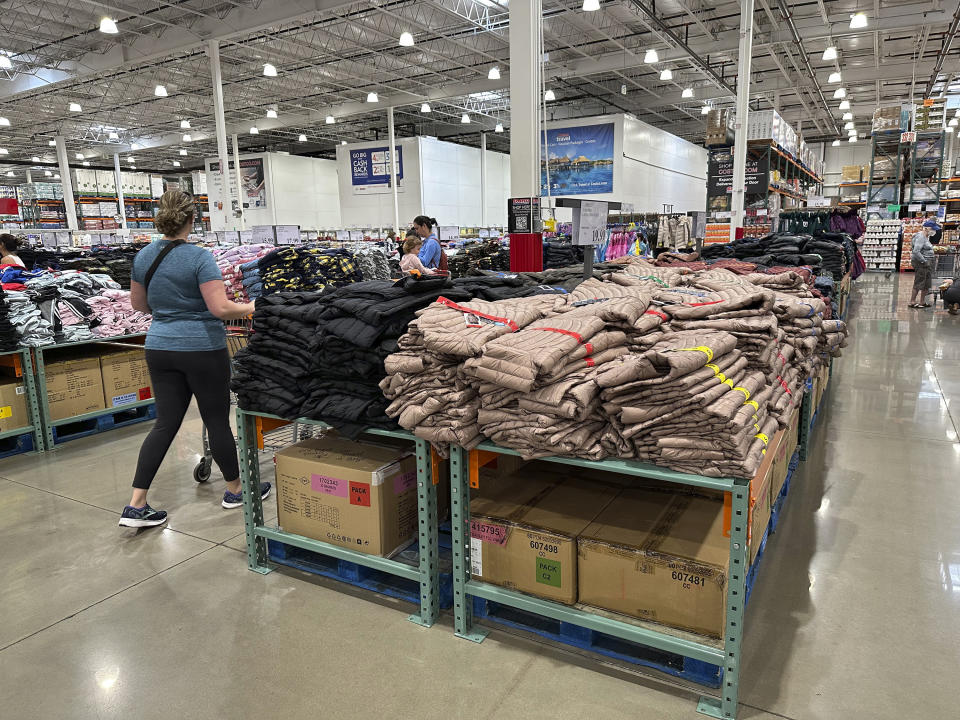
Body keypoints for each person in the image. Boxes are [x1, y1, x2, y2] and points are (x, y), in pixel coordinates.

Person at [119, 189, 269, 528]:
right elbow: (220, 308)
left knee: (164, 424)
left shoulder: (144, 256)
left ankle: (136, 503)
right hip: (201, 347)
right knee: (216, 419)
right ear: (192, 219)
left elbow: (139, 306)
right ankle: (235, 491)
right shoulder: (200, 258)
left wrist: (171, 310)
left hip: (159, 347)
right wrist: (254, 307)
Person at [908, 219, 940, 309]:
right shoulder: (921, 237)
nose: (934, 231)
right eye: (933, 229)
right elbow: (916, 251)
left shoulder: (925, 237)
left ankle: (922, 302)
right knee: (919, 282)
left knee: (926, 283)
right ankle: (912, 301)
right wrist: (924, 261)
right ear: (926, 228)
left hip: (927, 263)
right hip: (921, 263)